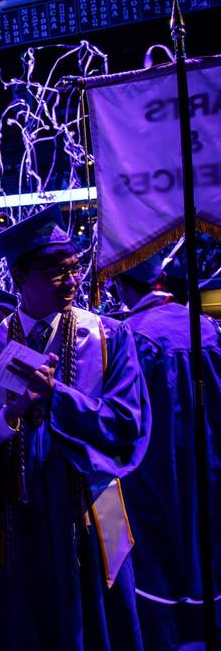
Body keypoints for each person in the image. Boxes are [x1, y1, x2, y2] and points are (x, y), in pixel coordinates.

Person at [0, 206, 150, 650]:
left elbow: (127, 422)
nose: (72, 282)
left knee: (100, 629)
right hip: (18, 519)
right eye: (55, 273)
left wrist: (57, 398)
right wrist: (12, 415)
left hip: (88, 514)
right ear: (19, 280)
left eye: (73, 269)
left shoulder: (106, 337)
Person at [112, 253, 221, 649]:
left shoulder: (128, 335)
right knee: (205, 540)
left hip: (153, 464)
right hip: (208, 458)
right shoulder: (207, 328)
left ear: (121, 285)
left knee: (158, 554)